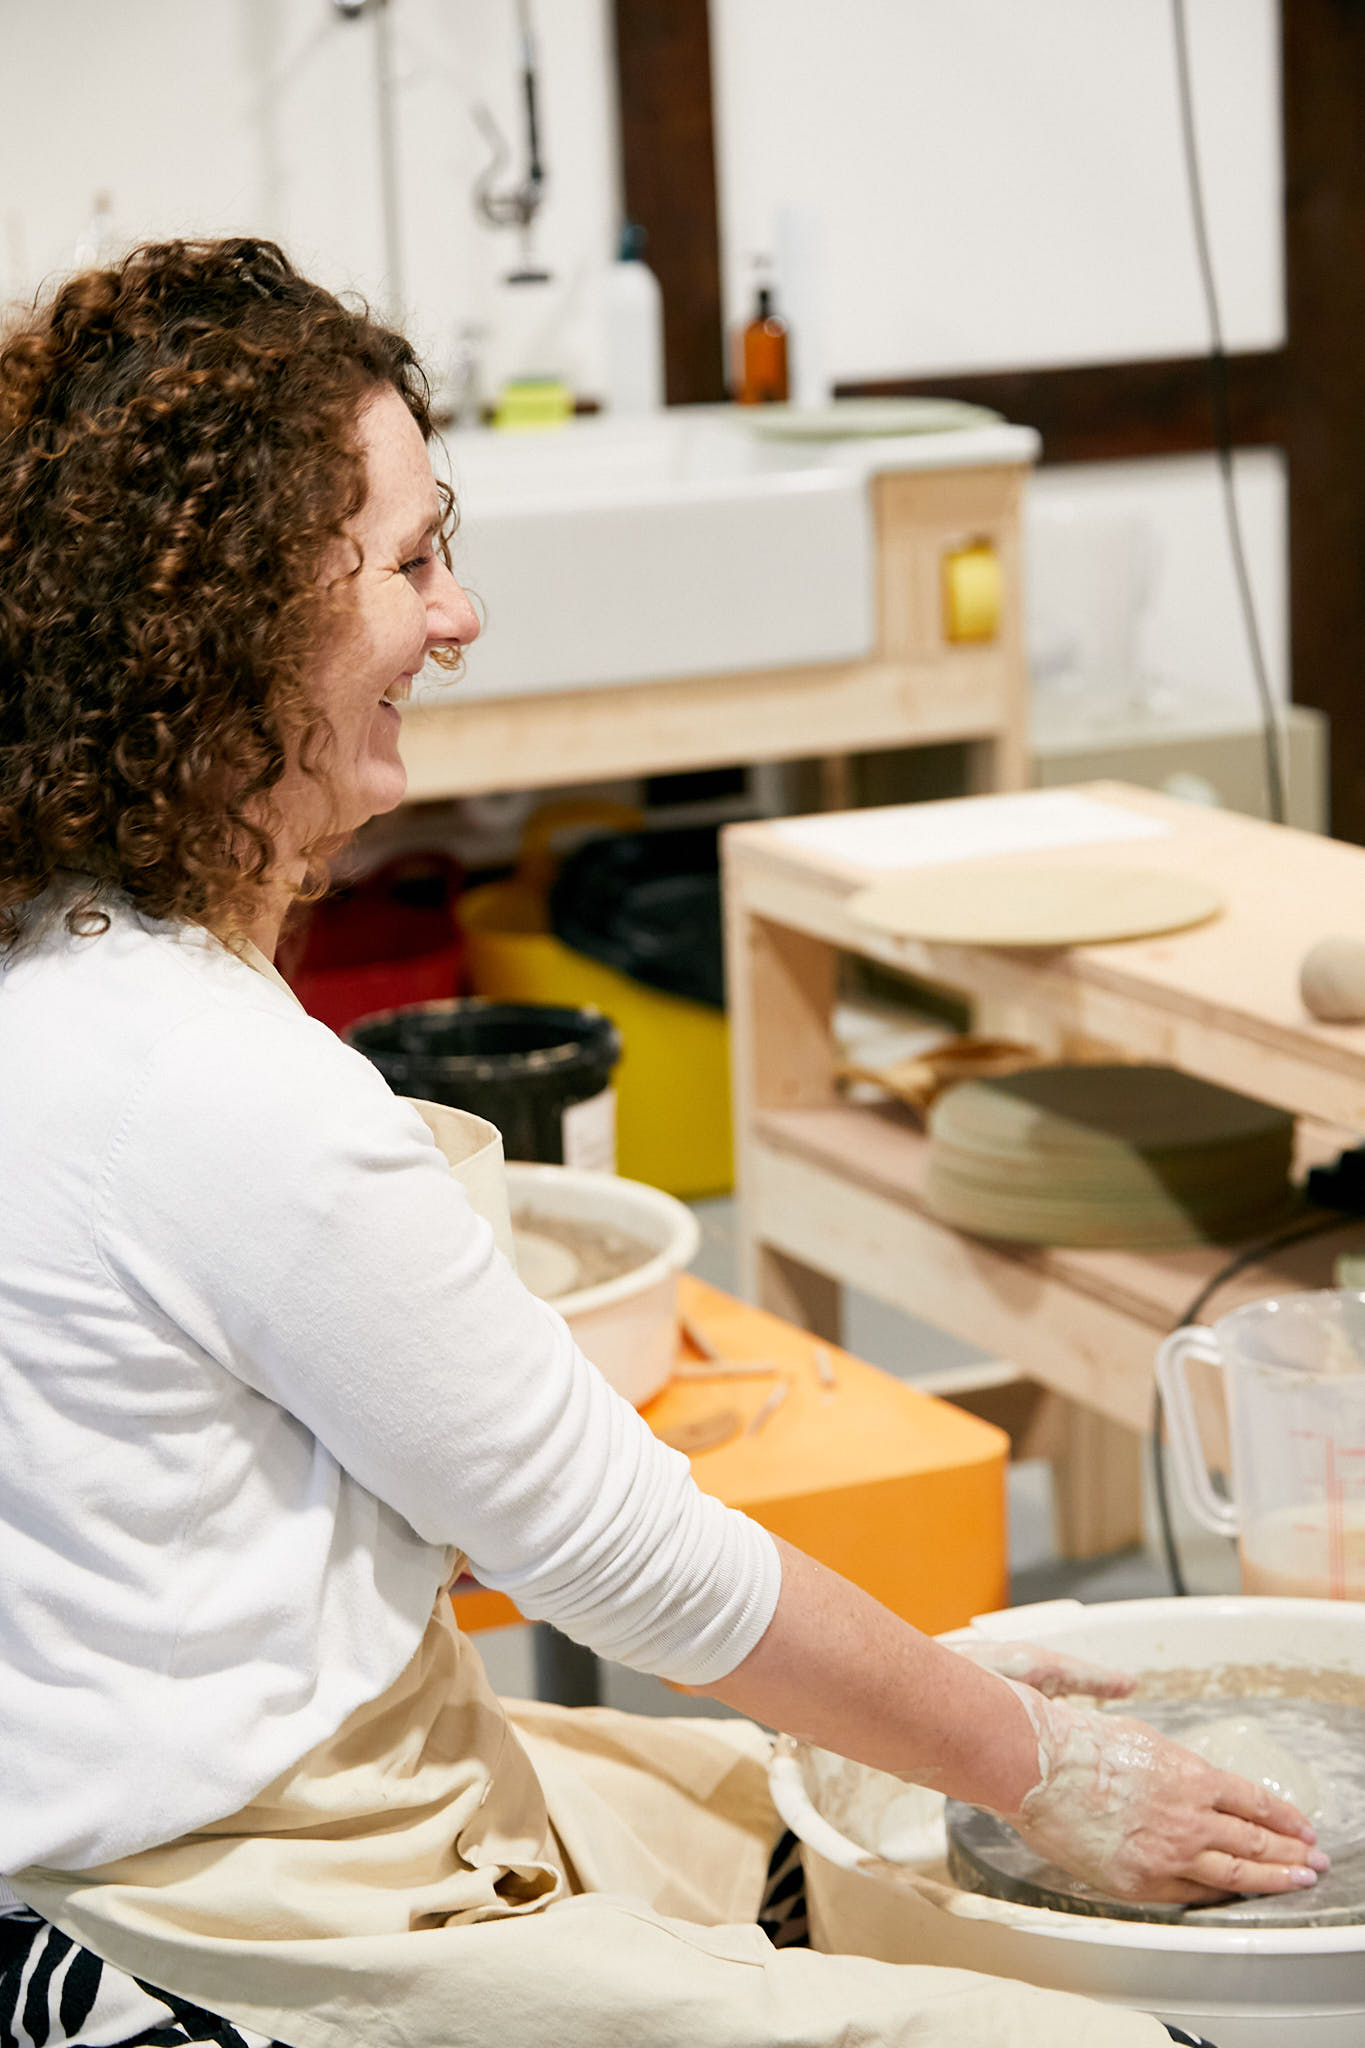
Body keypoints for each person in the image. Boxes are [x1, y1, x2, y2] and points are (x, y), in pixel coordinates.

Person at [0, 239, 1324, 2048]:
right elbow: (624, 1560)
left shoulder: (56, 969)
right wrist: (1034, 1755)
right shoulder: (209, 1084)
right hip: (234, 1898)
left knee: (800, 1833)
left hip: (189, 1779)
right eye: (407, 562)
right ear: (228, 624)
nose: (456, 617)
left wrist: (947, 1708)